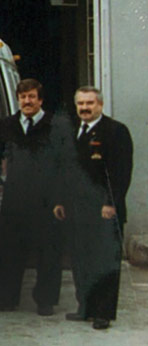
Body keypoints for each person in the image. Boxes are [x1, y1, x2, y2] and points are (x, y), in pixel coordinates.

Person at [0, 78, 66, 314]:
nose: (27, 102)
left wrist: (60, 198)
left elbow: (65, 164)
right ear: (18, 99)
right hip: (15, 198)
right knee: (9, 252)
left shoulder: (56, 125)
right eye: (23, 97)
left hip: (46, 201)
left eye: (32, 97)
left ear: (40, 100)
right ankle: (6, 299)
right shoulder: (8, 125)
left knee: (47, 254)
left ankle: (45, 302)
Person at [52, 86, 133, 331]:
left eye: (89, 103)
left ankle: (103, 313)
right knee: (81, 261)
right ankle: (85, 307)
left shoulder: (116, 131)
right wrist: (60, 201)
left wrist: (111, 203)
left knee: (104, 261)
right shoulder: (73, 131)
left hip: (103, 210)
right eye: (80, 104)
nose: (85, 108)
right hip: (77, 209)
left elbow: (120, 173)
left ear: (100, 105)